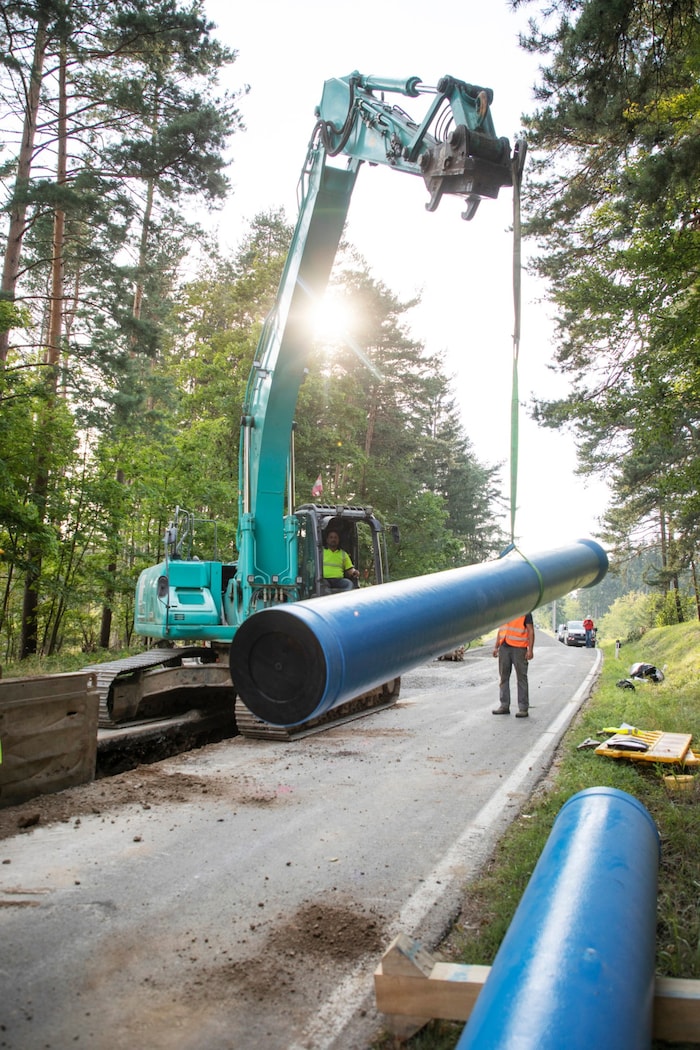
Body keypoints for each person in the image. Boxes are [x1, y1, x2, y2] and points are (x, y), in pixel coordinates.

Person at [492, 613, 535, 718]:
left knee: (521, 678)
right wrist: (496, 646)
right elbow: (501, 630)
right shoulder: (506, 609)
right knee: (503, 677)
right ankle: (504, 705)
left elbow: (530, 631)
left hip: (519, 648)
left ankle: (523, 708)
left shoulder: (525, 612)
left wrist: (530, 650)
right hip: (504, 647)